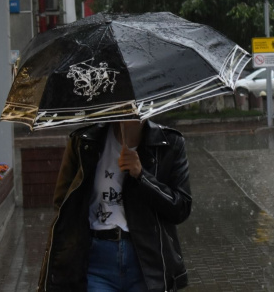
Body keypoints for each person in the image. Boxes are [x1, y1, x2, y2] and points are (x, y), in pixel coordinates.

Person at [38, 119, 192, 292]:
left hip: (146, 262)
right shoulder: (84, 141)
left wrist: (142, 176)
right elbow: (64, 204)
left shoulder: (169, 143)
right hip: (96, 261)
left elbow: (181, 208)